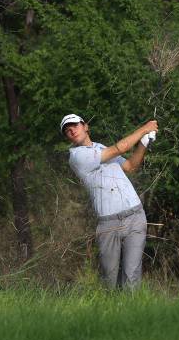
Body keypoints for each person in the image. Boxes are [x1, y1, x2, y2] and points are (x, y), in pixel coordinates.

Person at [60, 114, 158, 289]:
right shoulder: (77, 156)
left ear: (85, 126)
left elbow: (130, 166)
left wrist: (144, 141)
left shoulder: (100, 148)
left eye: (74, 125)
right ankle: (111, 313)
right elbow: (120, 148)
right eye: (67, 130)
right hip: (109, 223)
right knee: (109, 280)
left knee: (132, 276)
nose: (71, 130)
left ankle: (132, 315)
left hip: (135, 215)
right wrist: (145, 128)